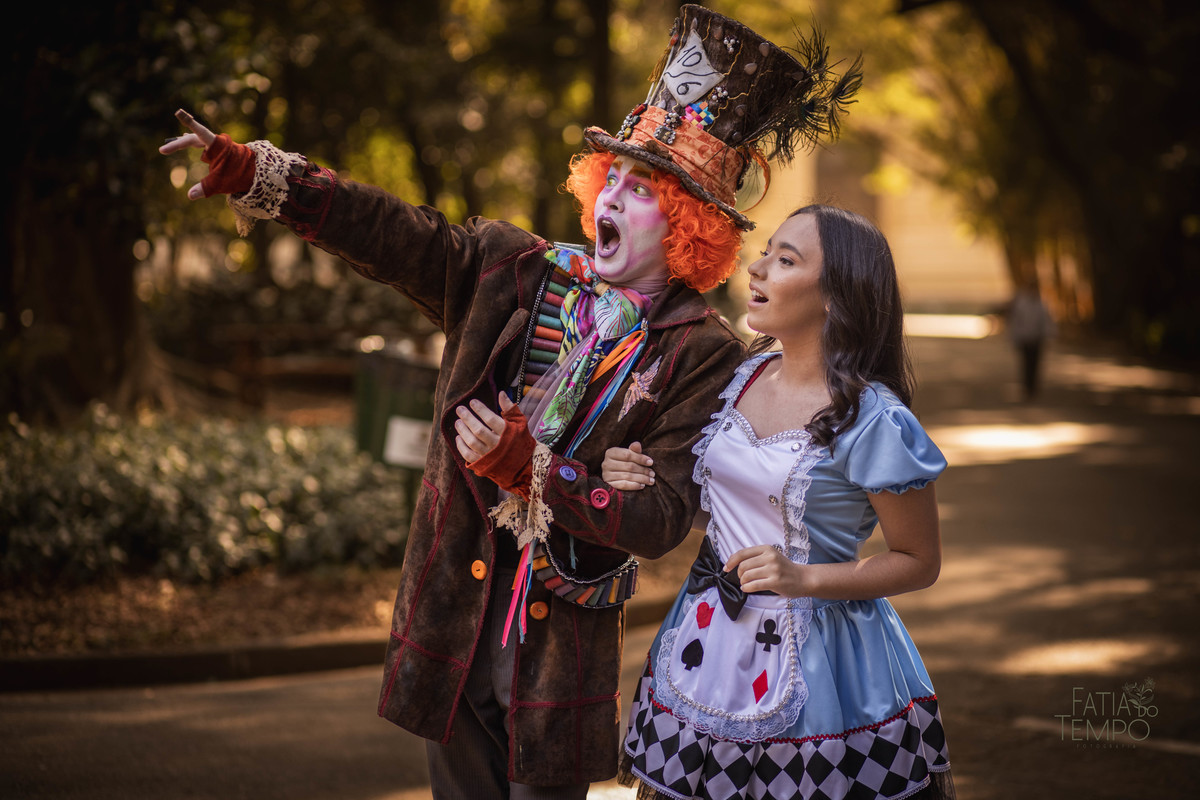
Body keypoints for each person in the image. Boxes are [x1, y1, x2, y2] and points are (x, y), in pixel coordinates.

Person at [161, 7, 859, 796]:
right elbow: (396, 234)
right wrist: (260, 176)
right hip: (453, 624)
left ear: (685, 227)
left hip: (558, 660)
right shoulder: (512, 270)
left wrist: (536, 470)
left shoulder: (700, 351)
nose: (613, 201)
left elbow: (660, 520)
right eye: (613, 182)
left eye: (644, 192)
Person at [603, 206, 956, 800]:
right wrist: (639, 480)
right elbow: (721, 516)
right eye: (765, 252)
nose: (757, 268)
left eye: (785, 260)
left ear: (836, 298)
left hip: (828, 672)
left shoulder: (875, 421)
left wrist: (803, 577)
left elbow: (920, 561)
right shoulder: (740, 376)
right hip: (707, 642)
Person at [1004, 278, 1055, 401]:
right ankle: (1027, 387)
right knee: (1026, 364)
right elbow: (1016, 323)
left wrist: (1048, 335)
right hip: (1025, 339)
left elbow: (1046, 322)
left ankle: (1033, 388)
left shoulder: (1041, 304)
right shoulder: (1021, 304)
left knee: (1035, 364)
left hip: (1037, 339)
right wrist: (1015, 338)